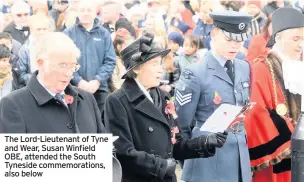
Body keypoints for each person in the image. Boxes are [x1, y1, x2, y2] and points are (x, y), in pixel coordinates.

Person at [104, 32, 228, 182]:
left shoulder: (163, 97)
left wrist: (205, 142)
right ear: (136, 69)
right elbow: (123, 151)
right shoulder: (117, 101)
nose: (160, 69)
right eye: (154, 64)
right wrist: (161, 166)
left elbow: (175, 144)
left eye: (160, 63)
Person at [175, 11, 253, 182]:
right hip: (208, 161)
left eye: (239, 41)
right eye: (229, 40)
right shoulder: (195, 73)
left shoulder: (244, 67)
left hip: (239, 156)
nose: (235, 46)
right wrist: (190, 158)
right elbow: (182, 125)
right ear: (214, 34)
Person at [0, 32, 107, 133]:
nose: (68, 73)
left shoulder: (87, 99)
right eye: (62, 65)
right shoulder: (13, 104)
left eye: (72, 66)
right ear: (41, 63)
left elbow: (105, 148)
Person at [245, 7, 304, 182]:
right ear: (278, 38)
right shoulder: (261, 68)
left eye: (303, 39)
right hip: (279, 161)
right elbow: (256, 114)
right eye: (296, 39)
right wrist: (295, 139)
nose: (301, 44)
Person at [64, 1, 116, 117]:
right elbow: (64, 62)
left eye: (89, 10)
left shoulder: (104, 34)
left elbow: (110, 60)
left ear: (95, 12)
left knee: (100, 124)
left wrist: (98, 80)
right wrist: (78, 81)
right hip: (74, 89)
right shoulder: (68, 34)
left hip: (100, 90)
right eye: (82, 10)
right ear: (77, 12)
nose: (86, 13)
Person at [17, 14, 51, 87]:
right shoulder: (25, 49)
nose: (42, 32)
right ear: (31, 29)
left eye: (44, 29)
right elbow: (21, 75)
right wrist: (38, 79)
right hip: (32, 87)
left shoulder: (54, 45)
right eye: (38, 29)